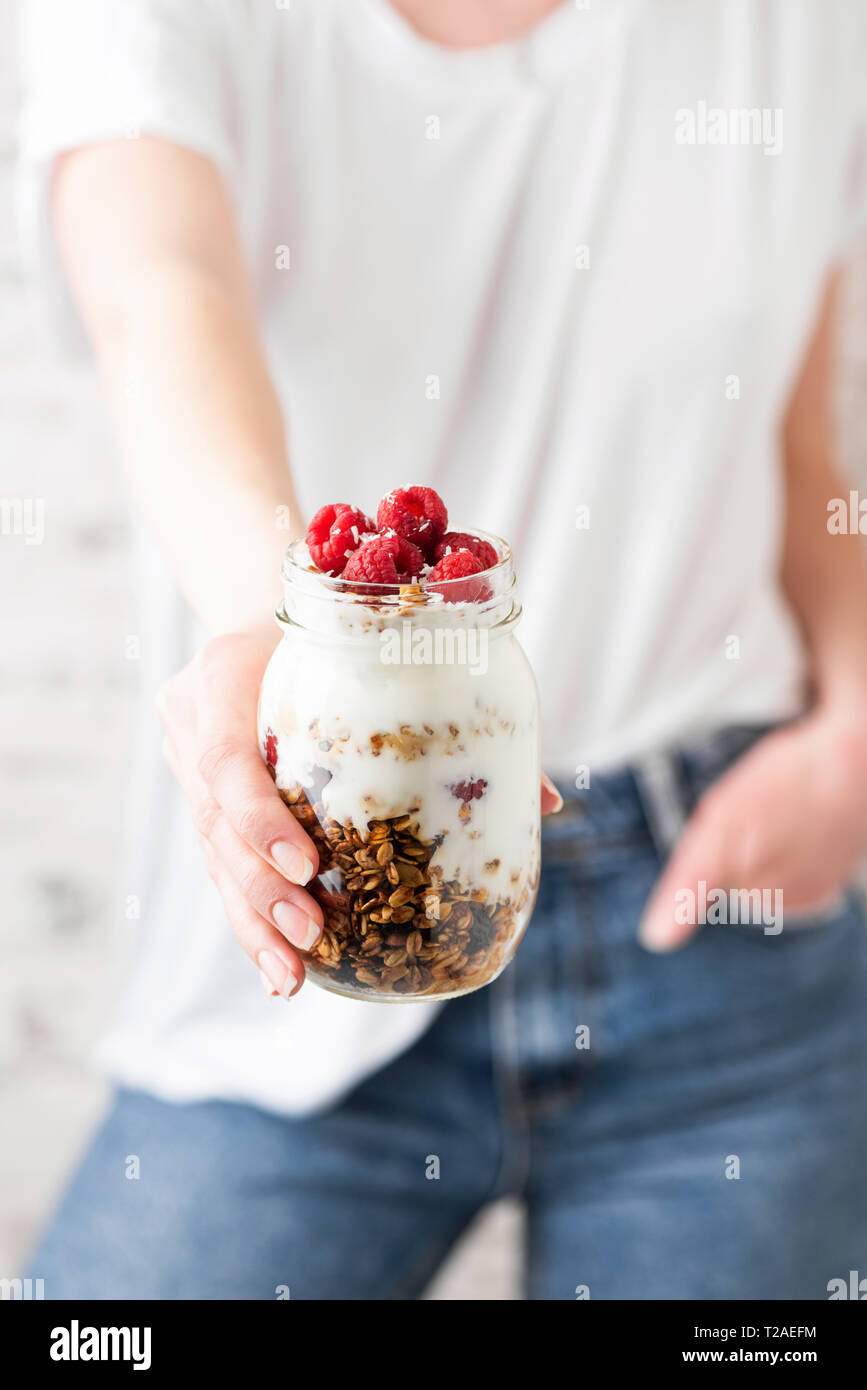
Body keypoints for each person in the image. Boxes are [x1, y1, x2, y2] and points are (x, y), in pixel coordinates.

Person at [18, 0, 867, 1299]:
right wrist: (282, 626)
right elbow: (159, 295)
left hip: (722, 905)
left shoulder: (797, 30)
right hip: (315, 898)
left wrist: (855, 733)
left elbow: (802, 459)